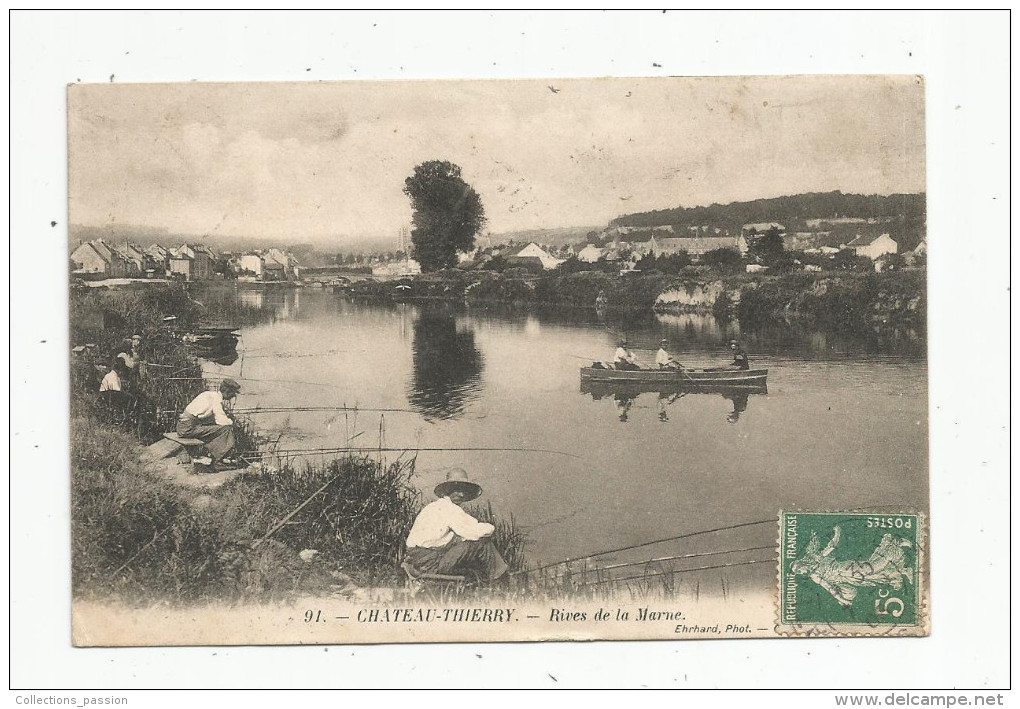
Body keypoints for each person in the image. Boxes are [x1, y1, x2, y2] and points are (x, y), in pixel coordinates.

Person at [404, 469, 509, 583]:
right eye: (457, 490)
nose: (462, 494)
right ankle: (501, 580)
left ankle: (492, 577)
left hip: (420, 561)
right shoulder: (450, 508)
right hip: (431, 564)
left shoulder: (434, 506)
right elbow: (473, 532)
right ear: (447, 491)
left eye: (464, 491)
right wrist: (491, 528)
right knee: (482, 544)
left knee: (467, 543)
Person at [177, 378, 241, 469]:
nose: (233, 396)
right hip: (187, 429)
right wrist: (232, 423)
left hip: (183, 426)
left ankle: (214, 455)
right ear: (227, 392)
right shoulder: (216, 400)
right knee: (226, 429)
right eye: (233, 393)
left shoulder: (209, 394)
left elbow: (202, 415)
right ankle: (219, 460)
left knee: (216, 428)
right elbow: (222, 421)